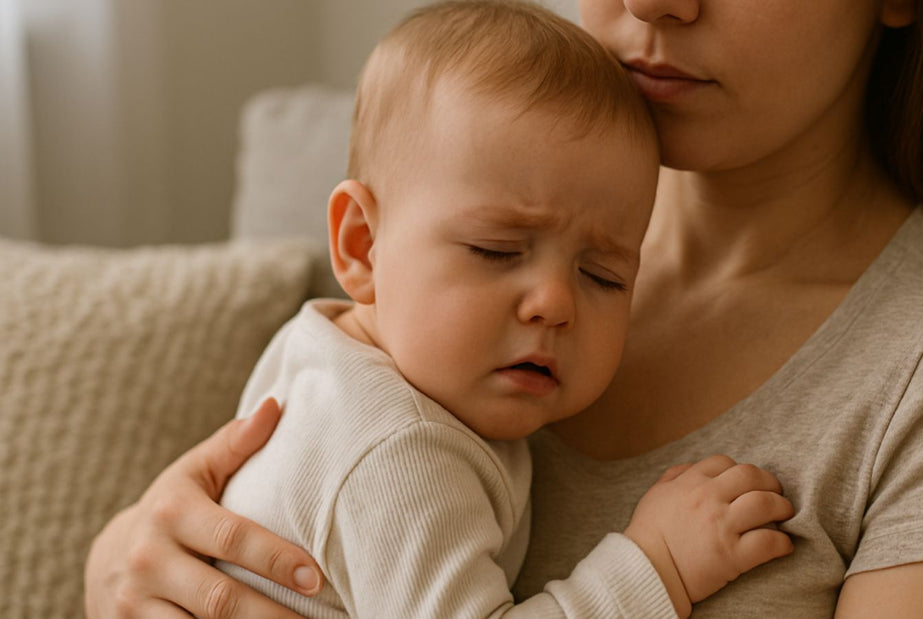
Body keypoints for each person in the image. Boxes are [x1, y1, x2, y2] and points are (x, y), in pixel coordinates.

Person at [86, 0, 923, 616]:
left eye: (600, 275)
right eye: (499, 251)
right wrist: (123, 568)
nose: (650, 3)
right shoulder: (435, 242)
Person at [210, 2, 794, 617]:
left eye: (603, 277)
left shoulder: (324, 352)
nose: (554, 304)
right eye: (495, 251)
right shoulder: (397, 451)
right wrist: (658, 568)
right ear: (362, 245)